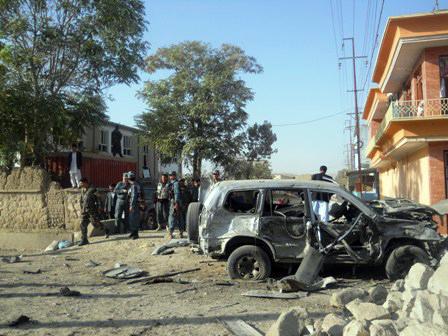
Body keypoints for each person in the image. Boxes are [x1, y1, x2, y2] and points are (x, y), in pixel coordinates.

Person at [78, 178, 108, 246]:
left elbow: (99, 199)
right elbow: (81, 200)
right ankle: (84, 239)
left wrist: (100, 207)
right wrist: (82, 208)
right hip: (84, 211)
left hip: (92, 211)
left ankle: (106, 229)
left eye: (81, 183)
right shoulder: (82, 190)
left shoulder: (93, 189)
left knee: (95, 224)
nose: (80, 184)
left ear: (85, 182)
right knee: (82, 224)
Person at [168, 171, 184, 239]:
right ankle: (180, 233)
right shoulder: (172, 183)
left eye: (171, 175)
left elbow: (177, 194)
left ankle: (171, 233)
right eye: (170, 175)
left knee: (172, 217)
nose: (170, 176)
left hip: (175, 202)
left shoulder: (176, 184)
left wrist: (176, 204)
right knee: (179, 218)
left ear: (174, 176)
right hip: (176, 202)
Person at [127, 171, 141, 239]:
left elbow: (133, 196)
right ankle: (133, 232)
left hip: (134, 205)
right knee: (132, 219)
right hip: (135, 204)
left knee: (133, 219)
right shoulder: (135, 185)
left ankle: (136, 234)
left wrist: (131, 206)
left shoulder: (134, 186)